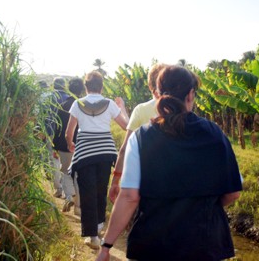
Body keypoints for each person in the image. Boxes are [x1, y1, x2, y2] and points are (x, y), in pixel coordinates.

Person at [96, 65, 243, 261]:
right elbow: (233, 192)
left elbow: (130, 196)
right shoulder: (215, 134)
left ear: (157, 94)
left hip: (154, 246)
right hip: (205, 245)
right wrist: (204, 206)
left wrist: (106, 246)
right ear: (190, 95)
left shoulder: (141, 138)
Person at [65, 70, 129, 249]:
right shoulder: (109, 104)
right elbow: (125, 126)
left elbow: (69, 131)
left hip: (85, 152)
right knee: (101, 189)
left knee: (87, 192)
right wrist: (122, 108)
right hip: (106, 152)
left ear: (86, 87)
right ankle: (99, 227)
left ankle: (92, 236)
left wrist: (71, 143)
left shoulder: (78, 104)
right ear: (101, 87)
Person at [108, 63, 168, 203]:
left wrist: (116, 180)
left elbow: (125, 149)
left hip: (143, 179)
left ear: (150, 86)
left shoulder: (141, 110)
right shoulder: (181, 110)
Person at [52, 77, 85, 213]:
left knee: (65, 171)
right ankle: (78, 207)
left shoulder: (63, 104)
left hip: (64, 145)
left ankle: (69, 196)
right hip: (81, 145)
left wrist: (55, 146)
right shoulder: (83, 105)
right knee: (78, 174)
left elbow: (57, 126)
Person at [46, 77, 70, 198]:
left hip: (51, 133)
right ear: (64, 86)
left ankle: (59, 189)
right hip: (67, 134)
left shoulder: (49, 97)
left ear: (54, 86)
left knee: (54, 160)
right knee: (67, 163)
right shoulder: (69, 98)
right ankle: (67, 192)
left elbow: (44, 117)